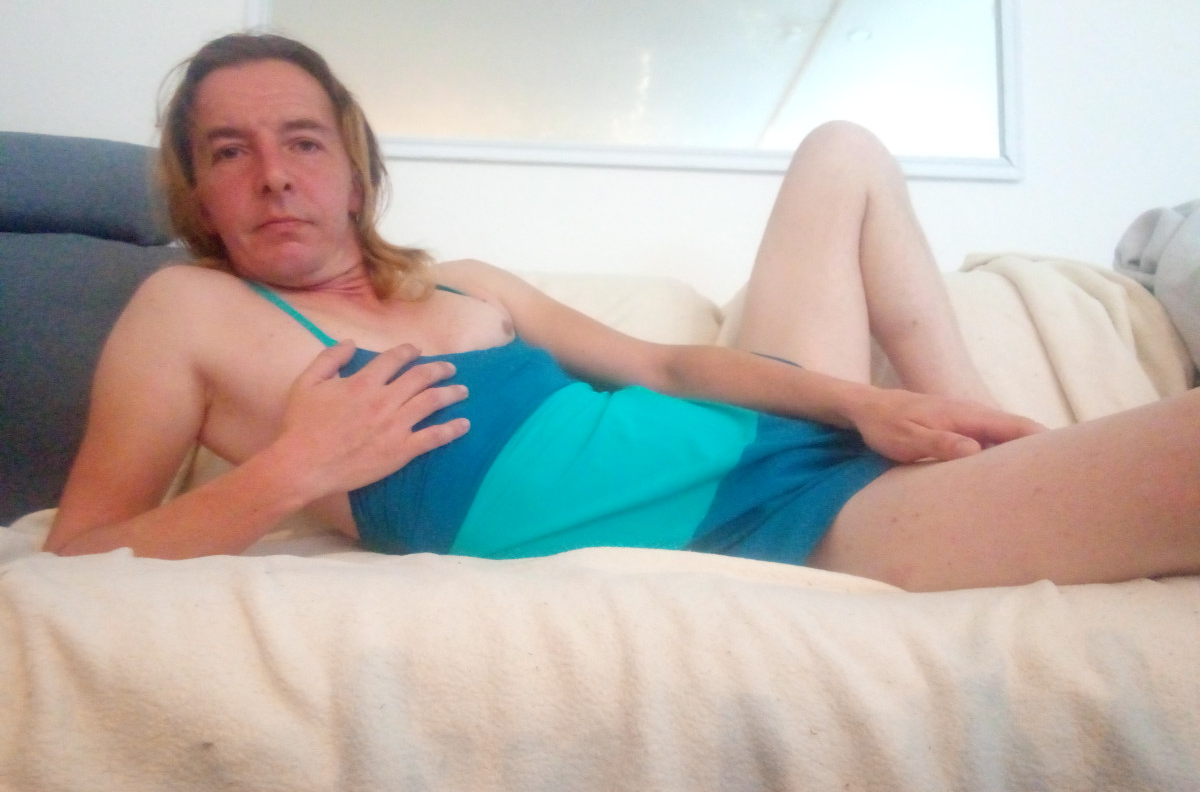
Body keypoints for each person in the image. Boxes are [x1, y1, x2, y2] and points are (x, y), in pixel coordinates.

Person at [45, 33, 1200, 592]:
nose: (273, 176)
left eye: (302, 142)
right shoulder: (186, 311)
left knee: (843, 148)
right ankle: (990, 472)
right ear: (198, 190)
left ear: (353, 170)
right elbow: (78, 558)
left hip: (763, 432)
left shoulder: (469, 282)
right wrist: (291, 472)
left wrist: (862, 401)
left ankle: (977, 425)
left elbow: (669, 365)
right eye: (229, 152)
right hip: (778, 522)